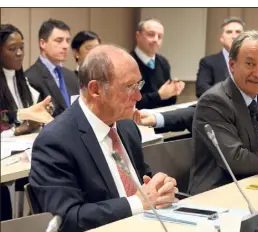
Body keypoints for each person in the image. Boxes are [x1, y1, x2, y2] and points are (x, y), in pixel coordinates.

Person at [29, 44, 178, 232]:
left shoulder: (127, 126)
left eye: (139, 85)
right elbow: (67, 218)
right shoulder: (54, 141)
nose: (139, 96)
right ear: (95, 90)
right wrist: (138, 203)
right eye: (130, 87)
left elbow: (142, 182)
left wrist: (159, 189)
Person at [188, 30, 258, 195]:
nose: (257, 73)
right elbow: (235, 159)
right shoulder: (214, 101)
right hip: (219, 194)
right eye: (250, 64)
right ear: (232, 65)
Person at [0, 23, 53, 221]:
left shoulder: (23, 80)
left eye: (22, 47)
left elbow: (28, 116)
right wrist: (21, 122)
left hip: (24, 155)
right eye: (12, 49)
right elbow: (5, 118)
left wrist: (38, 116)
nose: (20, 53)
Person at [25, 19, 79, 117]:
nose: (65, 46)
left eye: (67, 41)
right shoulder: (30, 78)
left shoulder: (71, 76)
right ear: (43, 43)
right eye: (59, 40)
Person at [130, 18, 185, 109]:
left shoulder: (163, 62)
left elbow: (169, 102)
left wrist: (173, 91)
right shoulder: (127, 62)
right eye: (151, 34)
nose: (156, 39)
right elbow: (128, 101)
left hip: (159, 117)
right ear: (138, 36)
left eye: (159, 36)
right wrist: (159, 95)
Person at [196, 17, 245, 98]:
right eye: (229, 32)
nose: (234, 36)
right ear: (221, 38)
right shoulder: (208, 62)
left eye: (238, 32)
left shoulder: (253, 63)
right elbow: (201, 89)